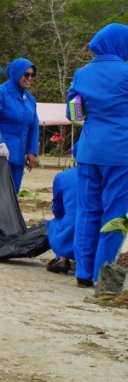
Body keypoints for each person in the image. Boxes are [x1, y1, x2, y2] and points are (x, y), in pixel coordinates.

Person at [66, 23, 128, 287]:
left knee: (87, 210)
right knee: (114, 212)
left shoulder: (81, 73)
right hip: (121, 151)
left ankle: (82, 272)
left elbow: (73, 114)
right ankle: (103, 274)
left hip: (89, 150)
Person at [0, 58, 40, 193]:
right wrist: (2, 146)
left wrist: (32, 151)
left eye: (32, 75)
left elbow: (34, 125)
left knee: (12, 193)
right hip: (0, 155)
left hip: (19, 156)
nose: (29, 78)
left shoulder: (29, 99)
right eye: (26, 74)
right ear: (16, 73)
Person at [46, 162, 79, 275]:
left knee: (55, 223)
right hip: (100, 230)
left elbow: (58, 211)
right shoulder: (107, 176)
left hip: (73, 227)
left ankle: (62, 258)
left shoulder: (64, 176)